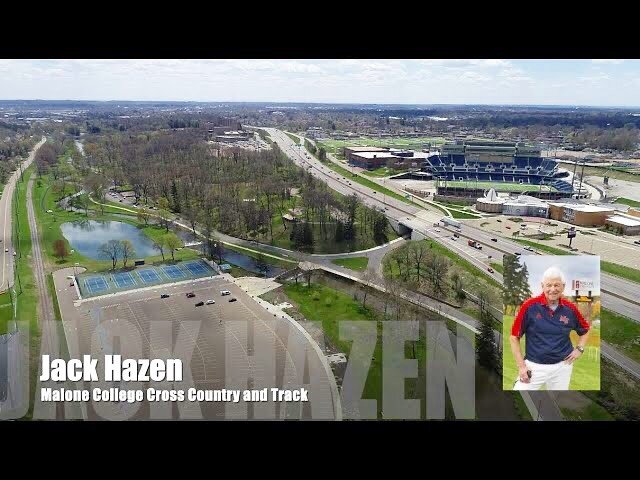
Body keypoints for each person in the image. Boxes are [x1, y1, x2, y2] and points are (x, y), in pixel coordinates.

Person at [509, 266, 590, 390]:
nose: (553, 289)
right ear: (542, 286)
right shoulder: (529, 306)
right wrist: (521, 366)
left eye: (557, 285)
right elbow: (514, 337)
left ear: (563, 286)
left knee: (557, 404)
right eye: (549, 285)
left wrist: (579, 349)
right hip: (534, 367)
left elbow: (584, 330)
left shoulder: (570, 309)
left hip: (562, 367)